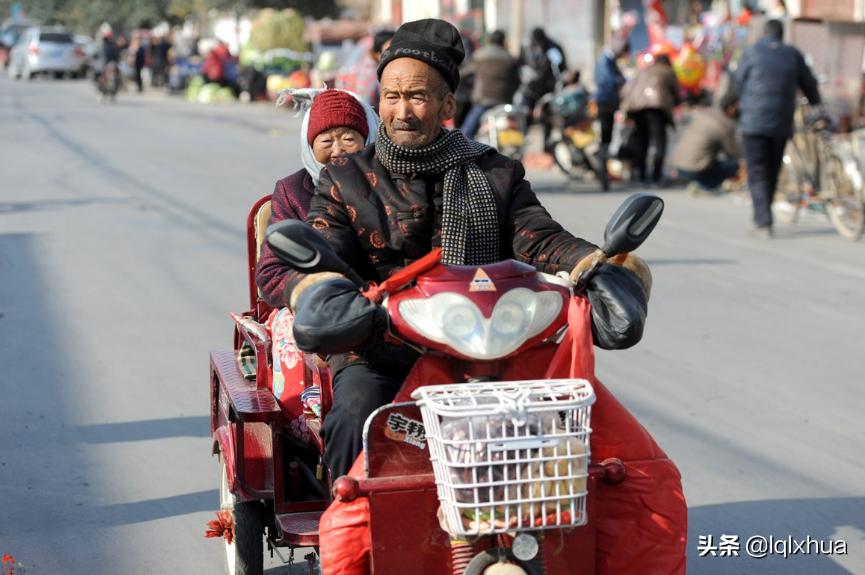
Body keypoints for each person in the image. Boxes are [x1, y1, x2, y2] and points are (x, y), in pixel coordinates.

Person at [257, 18, 653, 481]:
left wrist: (597, 266)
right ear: (379, 100)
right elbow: (326, 249)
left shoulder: (495, 171)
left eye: (417, 96)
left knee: (567, 426)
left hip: (486, 346)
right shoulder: (344, 175)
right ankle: (347, 539)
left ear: (447, 104)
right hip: (380, 346)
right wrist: (323, 293)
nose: (402, 111)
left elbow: (540, 238)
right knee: (354, 419)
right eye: (392, 96)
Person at [256, 89, 379, 301]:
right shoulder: (292, 191)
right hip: (318, 303)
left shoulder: (388, 185)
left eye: (348, 139)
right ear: (310, 146)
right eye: (326, 141)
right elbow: (271, 274)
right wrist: (317, 286)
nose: (338, 150)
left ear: (368, 140)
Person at [735, 19, 820, 237]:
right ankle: (764, 217)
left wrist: (731, 105)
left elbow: (737, 83)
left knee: (757, 171)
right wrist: (816, 104)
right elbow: (809, 84)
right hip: (781, 123)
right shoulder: (792, 54)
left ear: (764, 33)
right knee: (771, 170)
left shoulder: (751, 52)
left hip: (753, 124)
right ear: (782, 34)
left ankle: (763, 221)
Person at [623, 46, 681, 185]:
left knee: (643, 141)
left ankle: (641, 174)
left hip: (637, 109)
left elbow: (628, 90)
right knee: (659, 142)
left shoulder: (643, 70)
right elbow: (677, 94)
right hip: (657, 108)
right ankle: (655, 176)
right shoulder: (668, 71)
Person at [671, 91, 742, 194]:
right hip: (695, 170)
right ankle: (705, 184)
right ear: (731, 108)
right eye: (738, 107)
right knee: (736, 165)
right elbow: (733, 153)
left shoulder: (706, 114)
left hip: (678, 165)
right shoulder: (725, 124)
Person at [459, 29, 520, 139]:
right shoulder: (510, 59)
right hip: (505, 101)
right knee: (518, 131)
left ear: (489, 40)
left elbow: (464, 73)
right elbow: (517, 82)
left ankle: (465, 154)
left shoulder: (479, 55)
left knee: (466, 133)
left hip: (483, 101)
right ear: (503, 41)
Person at [593, 34, 630, 191]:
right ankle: (602, 175)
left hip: (609, 103)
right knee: (605, 141)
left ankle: (603, 174)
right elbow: (608, 80)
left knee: (607, 139)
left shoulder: (609, 61)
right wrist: (621, 80)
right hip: (605, 104)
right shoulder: (604, 61)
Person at [336, 29, 394, 111]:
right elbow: (367, 105)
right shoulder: (371, 72)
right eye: (389, 50)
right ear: (378, 52)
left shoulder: (363, 50)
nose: (394, 53)